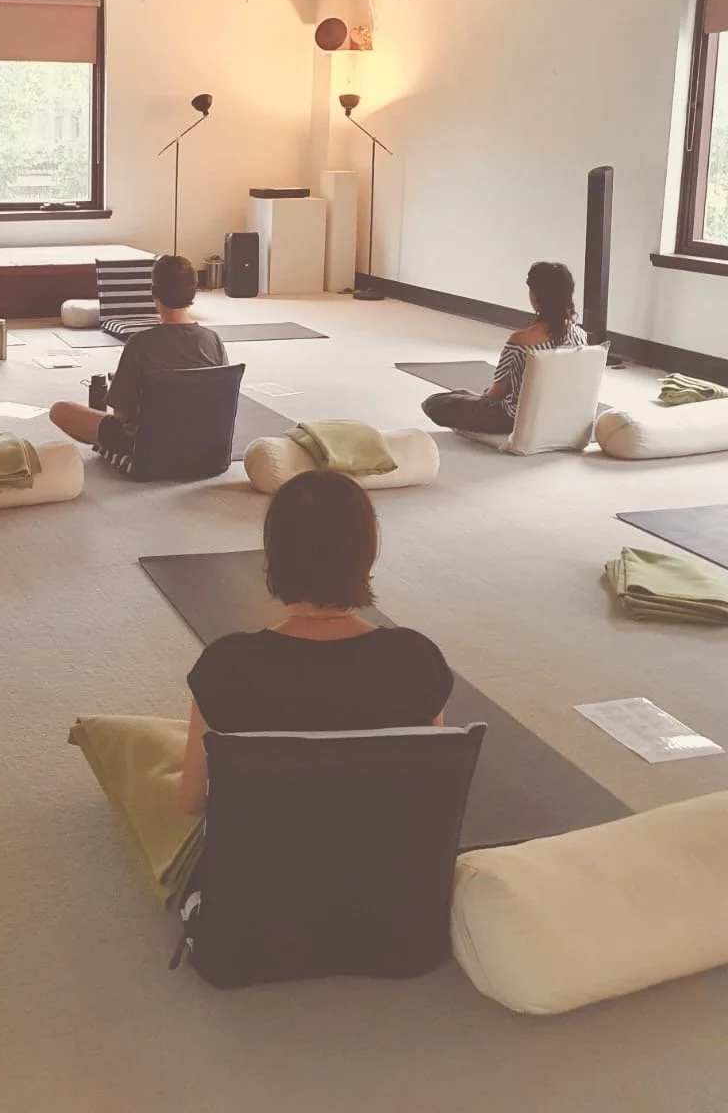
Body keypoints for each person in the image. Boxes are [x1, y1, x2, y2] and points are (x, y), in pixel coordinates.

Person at [177, 470, 453, 815]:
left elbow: (190, 802)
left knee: (141, 748)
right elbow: (436, 789)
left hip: (261, 849)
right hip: (392, 849)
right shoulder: (418, 659)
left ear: (274, 556)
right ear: (366, 553)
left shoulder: (225, 665)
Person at [49, 254, 225, 458]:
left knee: (60, 410)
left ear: (154, 292)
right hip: (202, 444)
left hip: (149, 445)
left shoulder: (140, 344)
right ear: (193, 292)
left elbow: (121, 415)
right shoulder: (213, 340)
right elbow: (221, 402)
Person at [420, 260, 587, 436]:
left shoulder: (520, 341)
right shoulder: (580, 336)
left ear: (536, 297)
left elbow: (495, 394)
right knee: (461, 394)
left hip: (511, 420)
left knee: (434, 403)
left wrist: (483, 398)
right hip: (558, 417)